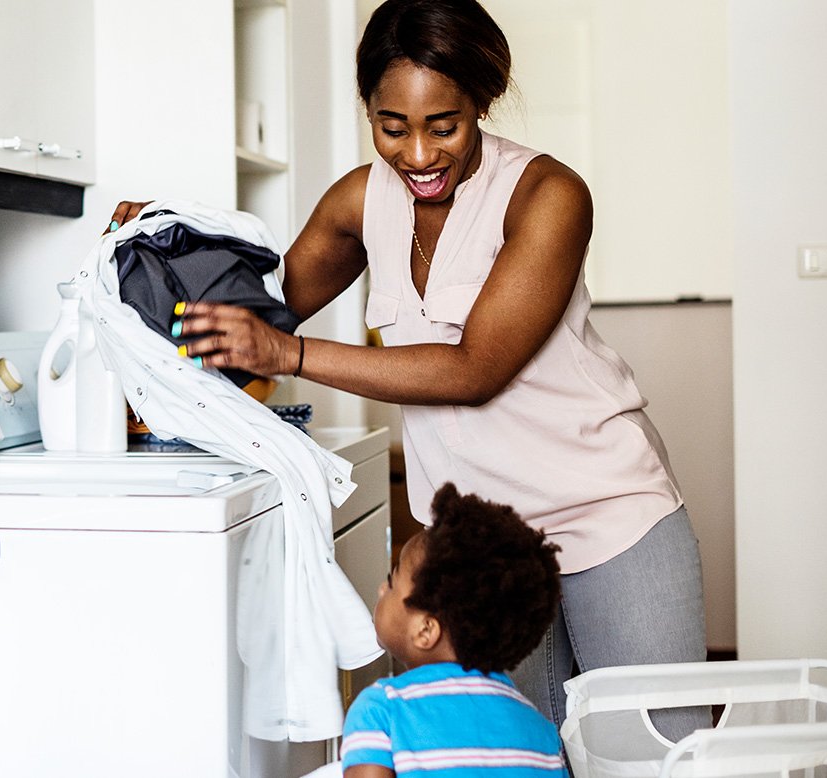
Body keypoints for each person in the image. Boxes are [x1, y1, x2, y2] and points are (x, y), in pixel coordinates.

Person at [110, 0, 708, 737]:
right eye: (392, 127)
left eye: (443, 126)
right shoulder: (360, 202)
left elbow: (475, 369)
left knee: (652, 754)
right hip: (477, 548)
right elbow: (259, 311)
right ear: (369, 111)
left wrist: (291, 357)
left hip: (607, 516)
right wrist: (162, 239)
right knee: (500, 757)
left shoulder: (549, 196)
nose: (419, 156)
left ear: (481, 102)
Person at [341, 482, 565, 777]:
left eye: (392, 582)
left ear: (425, 631)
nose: (382, 589)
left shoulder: (383, 709)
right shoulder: (542, 734)